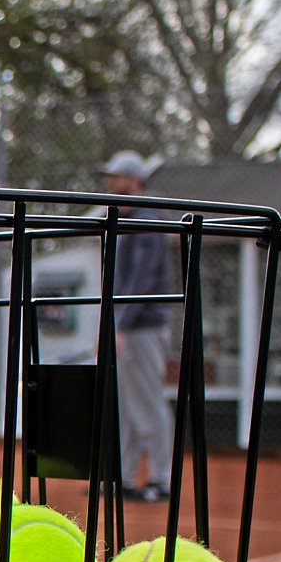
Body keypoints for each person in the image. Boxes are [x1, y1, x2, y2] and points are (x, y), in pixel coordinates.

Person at [102, 150, 176, 503]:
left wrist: (121, 325)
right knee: (125, 406)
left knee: (148, 402)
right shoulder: (125, 220)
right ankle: (125, 476)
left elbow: (142, 282)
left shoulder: (146, 219)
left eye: (118, 178)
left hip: (143, 327)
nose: (111, 183)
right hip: (128, 326)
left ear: (135, 181)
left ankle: (163, 478)